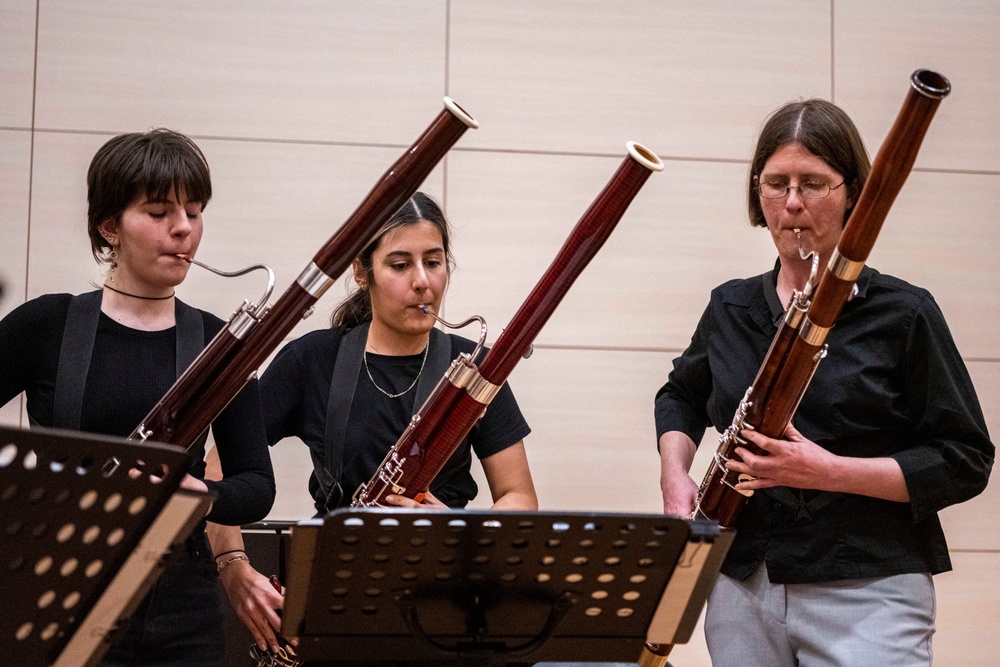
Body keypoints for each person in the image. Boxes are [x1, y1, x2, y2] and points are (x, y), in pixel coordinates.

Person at [655, 99, 994, 666]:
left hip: (868, 584)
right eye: (776, 184)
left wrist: (827, 471)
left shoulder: (904, 313)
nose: (792, 203)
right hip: (742, 581)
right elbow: (681, 397)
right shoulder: (730, 306)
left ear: (853, 194)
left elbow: (964, 459)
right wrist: (674, 474)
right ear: (757, 197)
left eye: (813, 183)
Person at [207, 192, 538, 655]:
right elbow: (220, 462)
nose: (423, 282)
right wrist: (233, 566)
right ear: (362, 273)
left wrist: (463, 530)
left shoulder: (475, 372)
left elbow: (519, 497)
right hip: (334, 606)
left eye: (434, 262)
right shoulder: (312, 360)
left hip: (448, 611)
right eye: (400, 265)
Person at [0, 128, 276, 666]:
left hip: (183, 606)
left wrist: (194, 490)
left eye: (194, 212)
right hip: (60, 588)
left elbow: (256, 485)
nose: (183, 230)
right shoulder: (46, 324)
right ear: (110, 227)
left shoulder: (221, 344)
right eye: (158, 212)